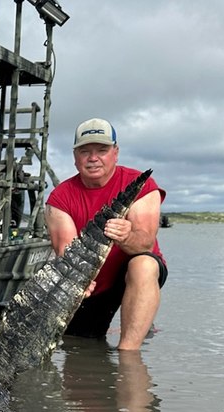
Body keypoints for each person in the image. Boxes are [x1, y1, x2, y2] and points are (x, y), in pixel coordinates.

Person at [44, 118, 167, 350]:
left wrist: (128, 236)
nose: (93, 158)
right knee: (79, 347)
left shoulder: (142, 185)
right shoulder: (59, 199)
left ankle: (128, 354)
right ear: (75, 156)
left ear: (115, 153)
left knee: (143, 264)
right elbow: (68, 255)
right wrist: (79, 280)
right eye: (85, 151)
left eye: (102, 150)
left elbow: (145, 244)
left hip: (132, 270)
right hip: (93, 284)